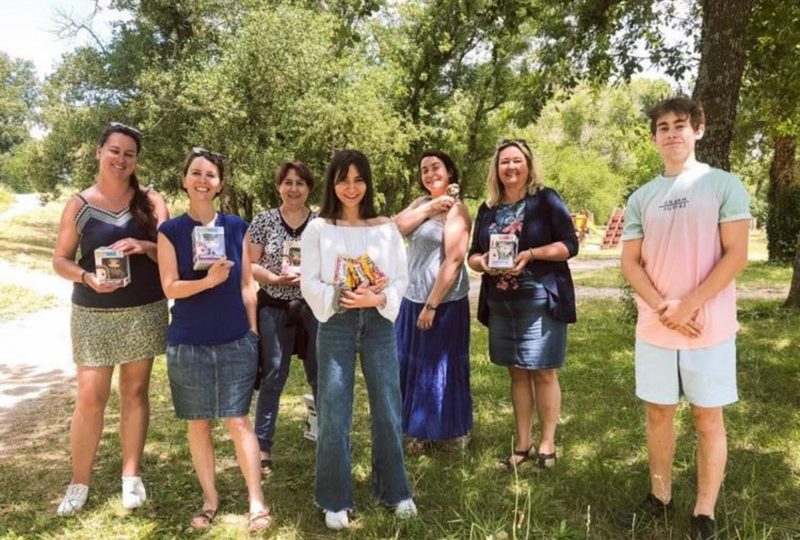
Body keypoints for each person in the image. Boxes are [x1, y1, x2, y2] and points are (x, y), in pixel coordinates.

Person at [619, 97, 750, 540]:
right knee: (658, 412)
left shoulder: (723, 184)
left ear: (698, 129)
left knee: (706, 416)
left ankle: (703, 511)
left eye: (680, 124)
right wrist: (664, 307)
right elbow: (631, 263)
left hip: (707, 325)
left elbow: (737, 255)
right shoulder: (642, 197)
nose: (672, 132)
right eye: (663, 127)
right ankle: (660, 496)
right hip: (657, 324)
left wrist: (689, 305)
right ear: (655, 138)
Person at [52, 122, 169, 516]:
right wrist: (86, 277)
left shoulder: (152, 201)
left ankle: (131, 476)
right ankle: (79, 481)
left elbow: (171, 257)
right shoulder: (80, 205)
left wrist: (146, 244)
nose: (121, 159)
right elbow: (60, 260)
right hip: (92, 311)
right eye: (114, 150)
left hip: (143, 310)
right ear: (99, 152)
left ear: (137, 160)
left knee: (135, 394)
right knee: (90, 397)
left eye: (129, 153)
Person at [300, 149, 417, 530]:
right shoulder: (318, 228)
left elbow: (401, 279)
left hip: (379, 324)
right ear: (333, 183)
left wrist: (378, 297)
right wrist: (342, 296)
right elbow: (309, 282)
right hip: (335, 323)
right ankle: (334, 498)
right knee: (334, 410)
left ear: (368, 183)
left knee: (387, 405)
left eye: (358, 179)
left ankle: (395, 490)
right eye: (343, 179)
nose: (351, 188)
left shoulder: (386, 228)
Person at [157, 148, 270, 532]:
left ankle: (257, 501)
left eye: (210, 174)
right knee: (199, 424)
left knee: (239, 421)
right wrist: (207, 281)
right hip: (188, 342)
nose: (203, 180)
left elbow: (247, 284)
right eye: (196, 173)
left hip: (235, 338)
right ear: (184, 180)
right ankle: (210, 501)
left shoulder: (237, 226)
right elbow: (170, 286)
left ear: (219, 184)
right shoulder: (169, 231)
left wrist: (253, 332)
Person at [467, 139, 578, 470]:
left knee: (544, 372)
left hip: (539, 299)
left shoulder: (546, 199)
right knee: (516, 372)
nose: (510, 167)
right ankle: (522, 445)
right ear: (496, 169)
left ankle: (547, 443)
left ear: (528, 165)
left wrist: (532, 254)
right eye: (504, 162)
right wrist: (482, 262)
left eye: (516, 161)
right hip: (502, 303)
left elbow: (569, 245)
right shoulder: (488, 209)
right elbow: (473, 255)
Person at [393, 150, 473, 452]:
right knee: (414, 366)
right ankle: (421, 430)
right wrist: (429, 209)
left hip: (443, 303)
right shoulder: (420, 204)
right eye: (424, 170)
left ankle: (454, 430)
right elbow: (394, 228)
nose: (429, 174)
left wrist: (432, 305)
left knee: (443, 365)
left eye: (435, 167)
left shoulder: (458, 211)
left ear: (449, 172)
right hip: (411, 297)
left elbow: (453, 260)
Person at [248, 161, 318, 474]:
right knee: (273, 374)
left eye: (300, 183)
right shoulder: (263, 221)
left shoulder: (320, 223)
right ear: (279, 185)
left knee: (321, 374)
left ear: (309, 188)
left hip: (314, 309)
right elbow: (250, 264)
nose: (293, 189)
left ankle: (327, 438)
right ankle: (262, 446)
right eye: (287, 182)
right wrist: (275, 280)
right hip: (274, 307)